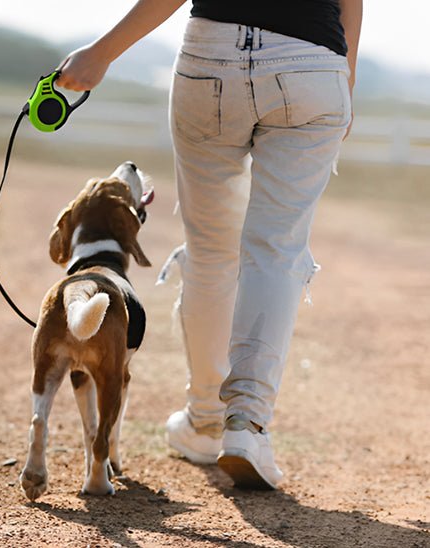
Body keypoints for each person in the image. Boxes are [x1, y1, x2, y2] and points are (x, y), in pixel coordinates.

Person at [56, 0, 363, 489]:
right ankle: (247, 424)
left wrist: (102, 53)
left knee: (209, 251)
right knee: (276, 251)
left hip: (211, 57)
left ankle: (204, 420)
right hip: (313, 64)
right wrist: (343, 79)